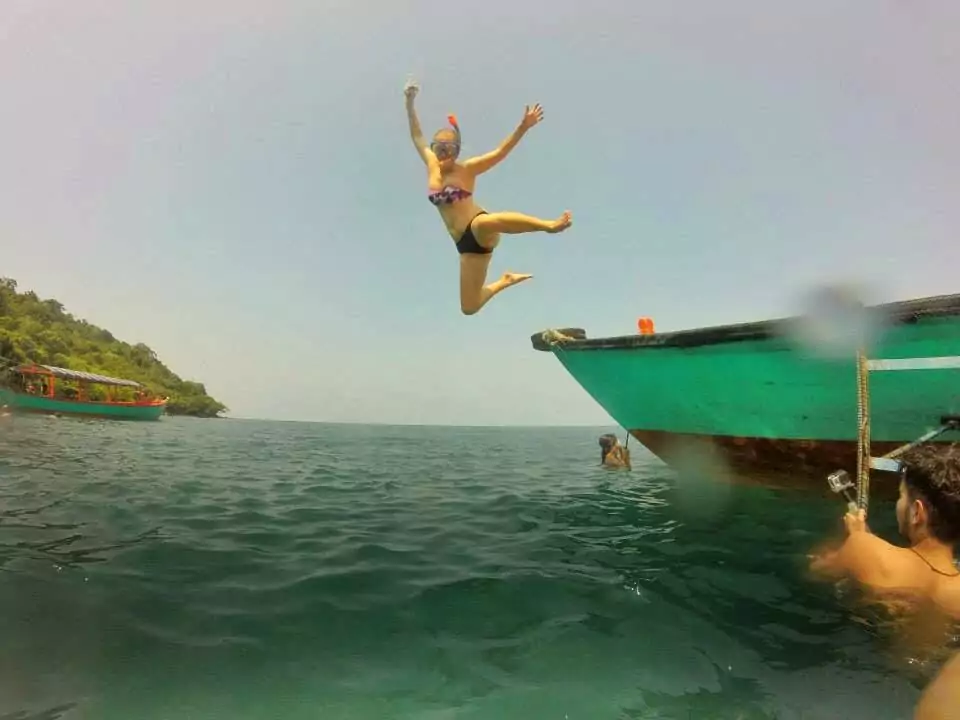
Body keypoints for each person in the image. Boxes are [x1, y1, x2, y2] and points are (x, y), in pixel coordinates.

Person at [403, 78, 573, 316]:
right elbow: (416, 135)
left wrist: (523, 127)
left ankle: (548, 225)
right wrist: (409, 102)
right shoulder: (431, 165)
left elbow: (500, 152)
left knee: (486, 222)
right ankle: (506, 279)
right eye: (439, 148)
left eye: (449, 148)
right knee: (469, 307)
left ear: (457, 150)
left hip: (478, 227)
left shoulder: (468, 169)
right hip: (465, 247)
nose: (443, 153)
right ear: (433, 149)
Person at [808, 443, 960, 616]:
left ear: (917, 512)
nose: (898, 503)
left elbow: (816, 570)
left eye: (901, 495)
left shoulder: (863, 547)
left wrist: (855, 537)